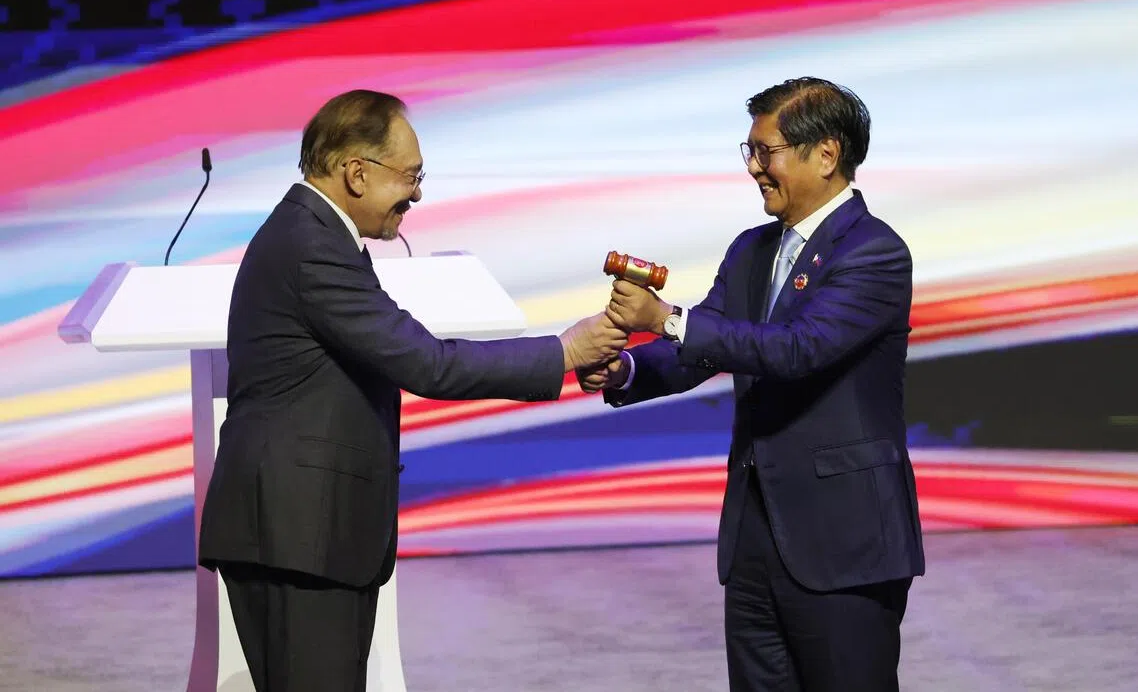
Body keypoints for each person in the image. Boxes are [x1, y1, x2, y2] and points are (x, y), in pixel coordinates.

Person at [198, 89, 625, 692]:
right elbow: (425, 363)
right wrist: (563, 353)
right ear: (356, 173)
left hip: (304, 532)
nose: (418, 194)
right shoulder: (312, 245)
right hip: (295, 534)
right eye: (411, 176)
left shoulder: (312, 233)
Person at [583, 78, 925, 691]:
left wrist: (664, 317)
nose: (754, 169)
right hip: (756, 540)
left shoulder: (874, 252)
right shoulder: (751, 249)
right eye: (750, 153)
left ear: (825, 154)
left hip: (844, 542)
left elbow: (798, 350)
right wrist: (627, 369)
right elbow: (703, 346)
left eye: (765, 152)